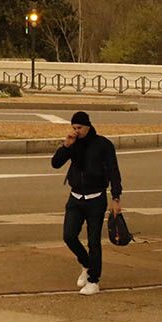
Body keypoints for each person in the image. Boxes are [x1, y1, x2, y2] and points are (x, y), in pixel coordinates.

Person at [51, 110, 123, 295]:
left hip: (96, 198)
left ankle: (93, 280)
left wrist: (116, 197)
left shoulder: (103, 145)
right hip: (75, 197)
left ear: (88, 126)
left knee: (94, 241)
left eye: (80, 127)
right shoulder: (74, 144)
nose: (77, 131)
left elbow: (114, 170)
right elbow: (56, 163)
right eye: (74, 127)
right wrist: (66, 145)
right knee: (69, 235)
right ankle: (86, 263)